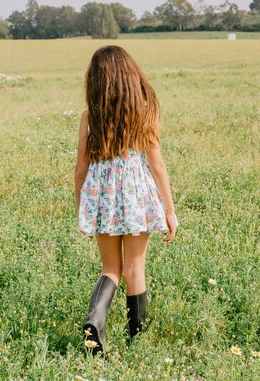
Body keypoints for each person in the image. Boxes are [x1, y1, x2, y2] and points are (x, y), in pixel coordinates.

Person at [74, 45, 178, 356]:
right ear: (129, 77)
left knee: (110, 268)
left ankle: (96, 318)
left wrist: (83, 209)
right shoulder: (143, 112)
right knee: (135, 268)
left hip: (102, 197)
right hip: (136, 196)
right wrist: (170, 210)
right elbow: (157, 165)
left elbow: (81, 168)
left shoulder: (88, 117)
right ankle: (138, 344)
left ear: (97, 80)